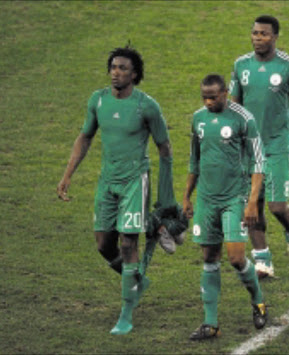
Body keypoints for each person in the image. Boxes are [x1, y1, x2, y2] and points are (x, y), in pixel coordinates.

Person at [57, 45, 181, 334]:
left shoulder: (146, 106)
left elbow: (165, 148)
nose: (116, 72)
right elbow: (85, 137)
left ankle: (126, 313)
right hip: (107, 182)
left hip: (134, 181)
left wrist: (166, 196)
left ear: (134, 74)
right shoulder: (98, 101)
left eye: (123, 68)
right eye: (113, 67)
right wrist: (67, 176)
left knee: (128, 243)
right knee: (103, 245)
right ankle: (145, 251)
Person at [183, 74, 267, 340]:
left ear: (226, 92)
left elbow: (257, 163)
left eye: (213, 97)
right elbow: (194, 160)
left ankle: (259, 301)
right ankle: (210, 324)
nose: (208, 102)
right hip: (207, 199)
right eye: (204, 98)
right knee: (209, 258)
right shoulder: (198, 119)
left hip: (235, 198)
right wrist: (186, 196)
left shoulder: (243, 119)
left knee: (236, 258)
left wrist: (252, 201)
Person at [229, 15, 289, 279]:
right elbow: (234, 106)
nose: (258, 38)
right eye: (254, 33)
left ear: (275, 36)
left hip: (278, 145)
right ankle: (263, 259)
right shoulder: (241, 65)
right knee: (252, 206)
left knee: (277, 206)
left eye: (264, 34)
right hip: (248, 149)